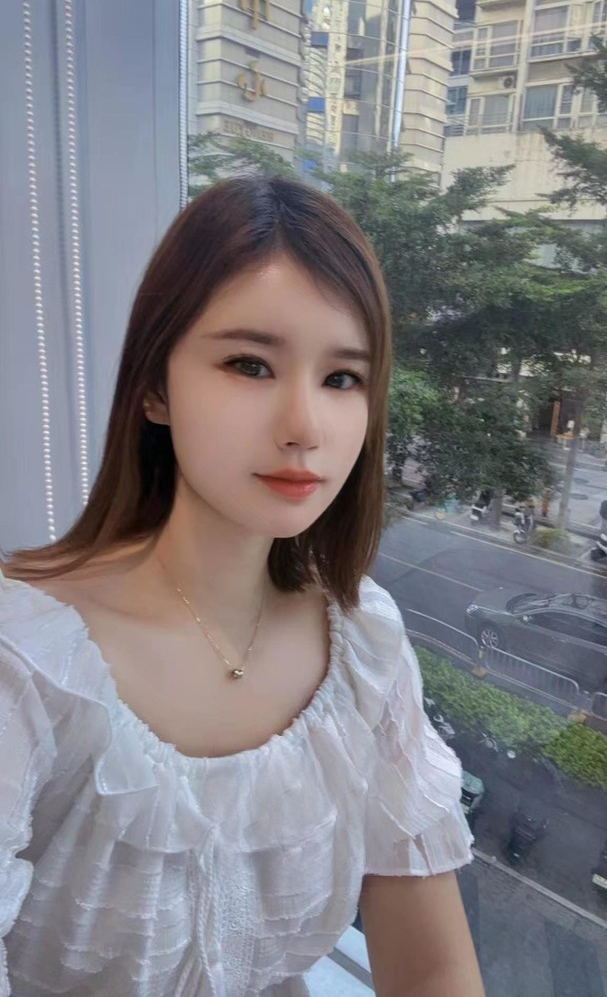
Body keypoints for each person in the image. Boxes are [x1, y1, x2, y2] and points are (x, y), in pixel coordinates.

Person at [0, 176, 484, 997]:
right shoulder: (27, 663)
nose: (304, 425)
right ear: (155, 386)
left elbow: (432, 968)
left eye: (342, 378)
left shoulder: (362, 644)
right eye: (249, 364)